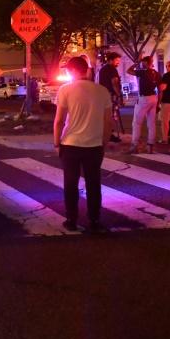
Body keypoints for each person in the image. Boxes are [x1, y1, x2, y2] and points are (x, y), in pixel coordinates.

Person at [53, 56, 112, 233]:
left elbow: (59, 121)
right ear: (86, 69)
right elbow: (108, 122)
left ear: (71, 71)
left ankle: (71, 219)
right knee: (93, 183)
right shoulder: (102, 91)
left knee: (70, 183)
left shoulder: (65, 90)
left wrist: (57, 143)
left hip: (70, 144)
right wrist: (104, 143)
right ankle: (94, 220)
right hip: (94, 145)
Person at [127, 56, 160, 154]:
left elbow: (129, 70)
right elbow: (161, 89)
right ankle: (150, 146)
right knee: (151, 123)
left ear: (145, 62)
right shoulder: (157, 74)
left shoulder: (143, 72)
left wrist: (136, 63)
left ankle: (134, 145)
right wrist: (158, 103)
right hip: (154, 97)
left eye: (143, 62)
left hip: (144, 98)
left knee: (137, 123)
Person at [98, 52, 124, 143]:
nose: (118, 62)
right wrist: (119, 95)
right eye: (117, 60)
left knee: (105, 115)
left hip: (102, 94)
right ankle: (109, 134)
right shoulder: (112, 69)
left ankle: (106, 133)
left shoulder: (102, 69)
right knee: (111, 115)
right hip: (110, 95)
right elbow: (115, 83)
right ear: (110, 60)